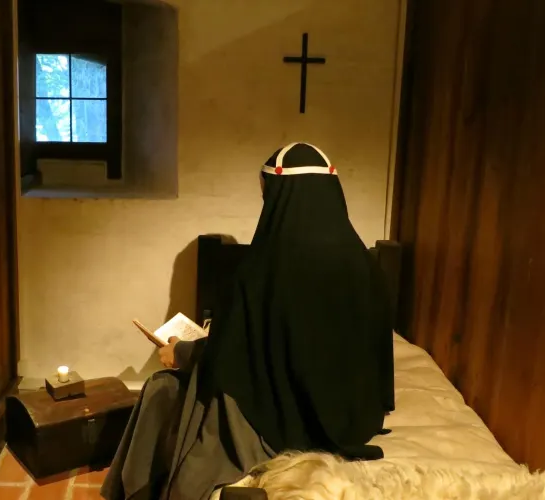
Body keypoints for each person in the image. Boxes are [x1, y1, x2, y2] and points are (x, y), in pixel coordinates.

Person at [101, 142, 395, 500]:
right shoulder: (367, 268)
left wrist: (180, 353)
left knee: (163, 388)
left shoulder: (262, 273)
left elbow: (236, 360)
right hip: (351, 421)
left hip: (283, 420)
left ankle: (136, 491)